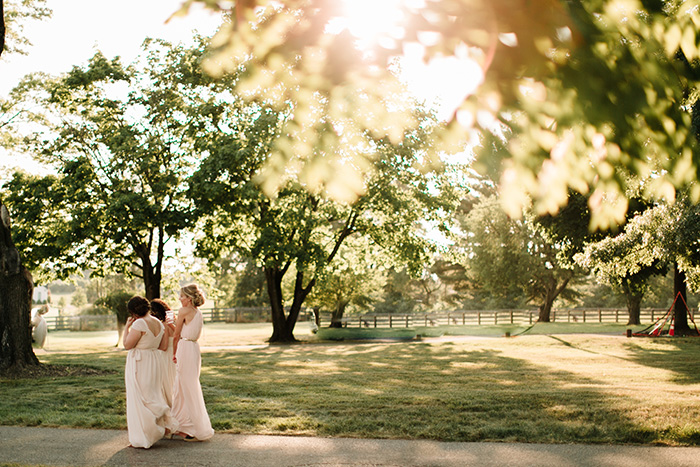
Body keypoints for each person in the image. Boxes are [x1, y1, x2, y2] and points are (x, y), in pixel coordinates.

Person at [123, 296, 179, 448]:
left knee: (139, 397)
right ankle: (160, 425)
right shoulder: (158, 323)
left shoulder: (140, 323)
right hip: (154, 361)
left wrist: (126, 328)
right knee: (152, 394)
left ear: (134, 312)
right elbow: (162, 346)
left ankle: (143, 436)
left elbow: (127, 344)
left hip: (140, 362)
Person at [171, 284, 214, 442]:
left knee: (182, 387)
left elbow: (176, 335)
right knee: (189, 386)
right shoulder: (198, 312)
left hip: (184, 348)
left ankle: (185, 426)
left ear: (189, 298)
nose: (180, 299)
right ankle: (183, 425)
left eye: (182, 296)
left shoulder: (183, 311)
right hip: (194, 349)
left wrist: (173, 353)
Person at [150, 298, 177, 408]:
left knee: (167, 382)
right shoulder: (175, 320)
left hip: (166, 356)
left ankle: (171, 406)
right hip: (176, 353)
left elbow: (164, 346)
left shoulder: (163, 324)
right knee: (174, 380)